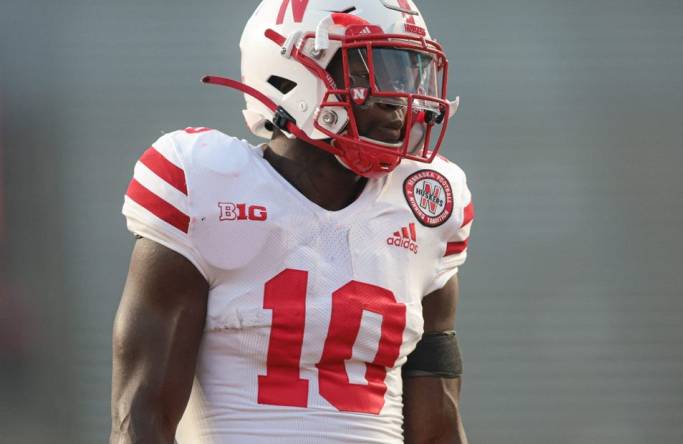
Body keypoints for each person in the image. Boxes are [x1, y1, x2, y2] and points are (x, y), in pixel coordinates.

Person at [110, 1, 473, 443]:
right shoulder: (205, 185)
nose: (398, 98)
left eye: (407, 73)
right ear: (291, 70)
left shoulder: (425, 205)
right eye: (375, 69)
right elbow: (140, 414)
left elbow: (438, 426)